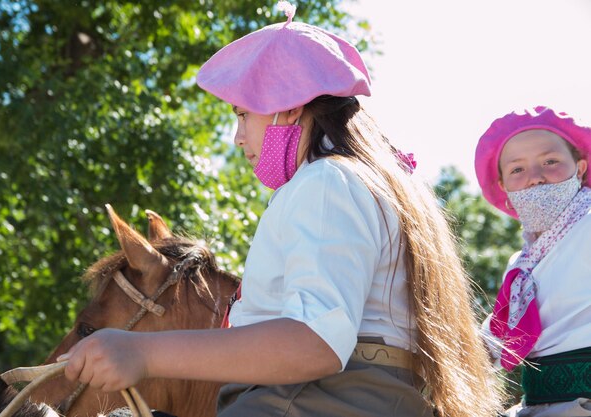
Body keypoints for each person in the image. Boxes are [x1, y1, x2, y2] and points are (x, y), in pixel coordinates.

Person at [59, 3, 502, 416]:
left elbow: (314, 342)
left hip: (312, 399)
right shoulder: (364, 182)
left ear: (288, 107)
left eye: (241, 115)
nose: (237, 137)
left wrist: (142, 352)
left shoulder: (327, 182)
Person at [475, 105, 591, 416]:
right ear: (504, 189)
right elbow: (493, 341)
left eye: (550, 162)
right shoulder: (521, 266)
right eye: (517, 170)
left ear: (580, 169)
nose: (536, 178)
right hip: (536, 406)